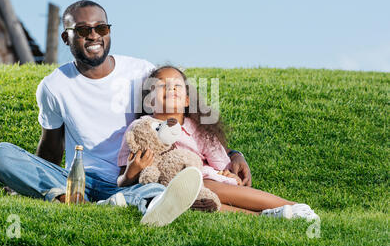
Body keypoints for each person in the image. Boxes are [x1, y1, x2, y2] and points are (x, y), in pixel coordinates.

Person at [0, 0, 204, 227]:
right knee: (1, 155)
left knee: (156, 188)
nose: (93, 36)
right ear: (65, 38)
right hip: (77, 180)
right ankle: (80, 198)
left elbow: (180, 117)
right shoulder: (53, 86)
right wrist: (28, 176)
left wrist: (231, 154)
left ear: (108, 31)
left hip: (129, 180)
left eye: (101, 28)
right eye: (82, 30)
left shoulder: (141, 71)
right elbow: (51, 148)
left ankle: (119, 201)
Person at [117, 65, 320, 220]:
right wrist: (133, 171)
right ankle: (264, 216)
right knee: (185, 198)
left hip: (204, 179)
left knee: (203, 183)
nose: (171, 89)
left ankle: (293, 206)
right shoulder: (139, 130)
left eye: (177, 85)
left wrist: (229, 174)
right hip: (167, 191)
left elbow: (222, 165)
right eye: (162, 85)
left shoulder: (197, 129)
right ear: (149, 100)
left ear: (187, 100)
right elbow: (123, 182)